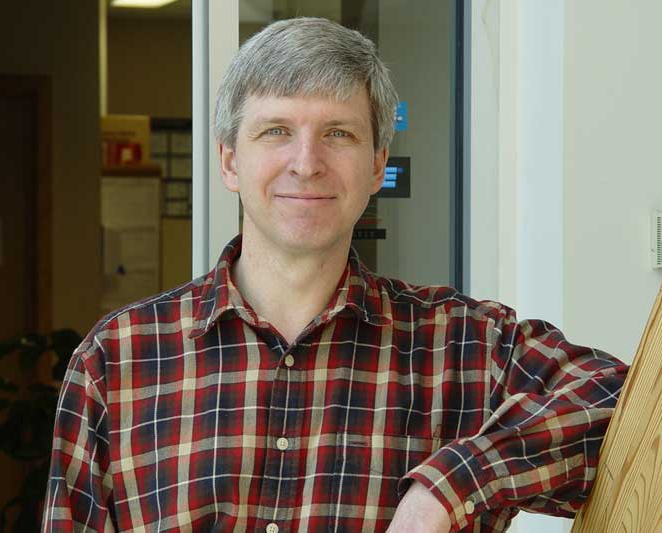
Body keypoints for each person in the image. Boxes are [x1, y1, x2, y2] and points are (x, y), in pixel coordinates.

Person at [43, 17, 628, 533]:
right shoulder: (117, 362)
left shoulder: (470, 348)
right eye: (276, 131)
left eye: (338, 133)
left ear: (376, 165)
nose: (307, 161)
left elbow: (629, 401)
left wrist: (452, 484)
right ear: (228, 161)